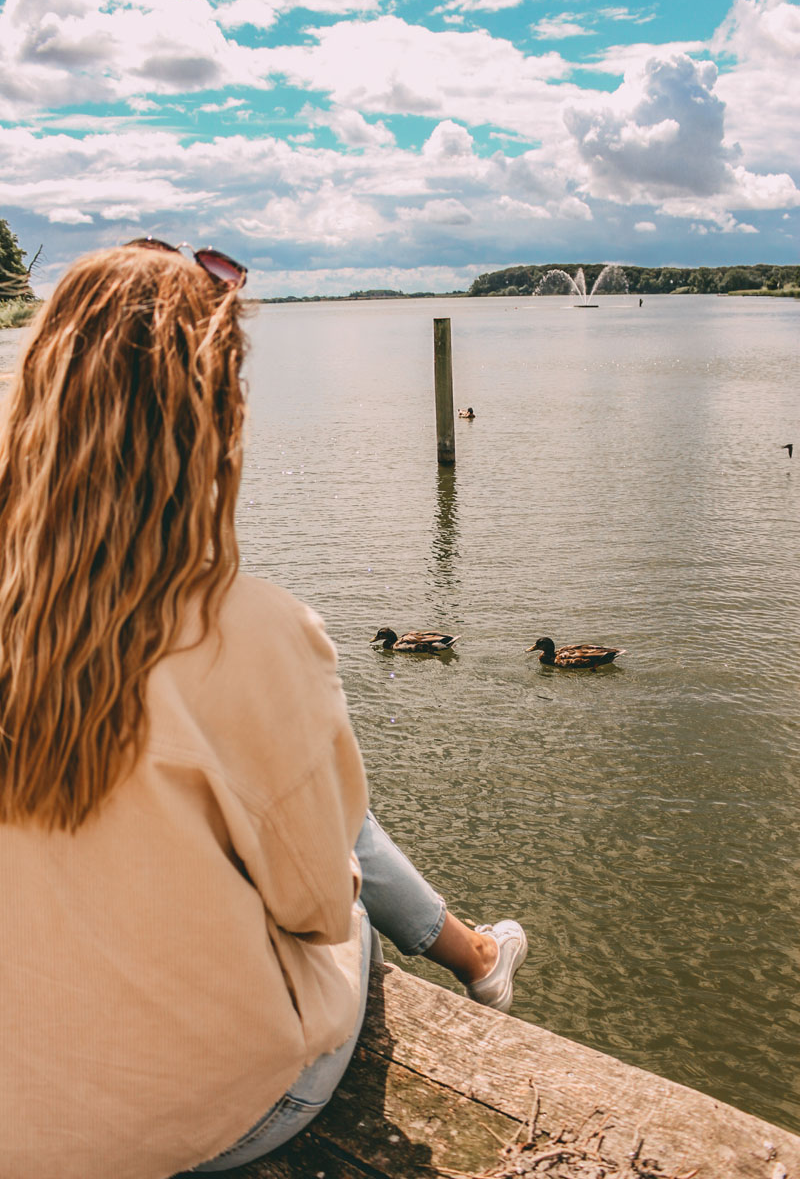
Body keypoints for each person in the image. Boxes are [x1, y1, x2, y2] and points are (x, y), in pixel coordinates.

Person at [0, 243, 527, 1179]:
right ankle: (476, 952)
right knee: (341, 848)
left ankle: (476, 949)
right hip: (202, 1124)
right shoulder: (248, 632)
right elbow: (321, 912)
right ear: (212, 416)